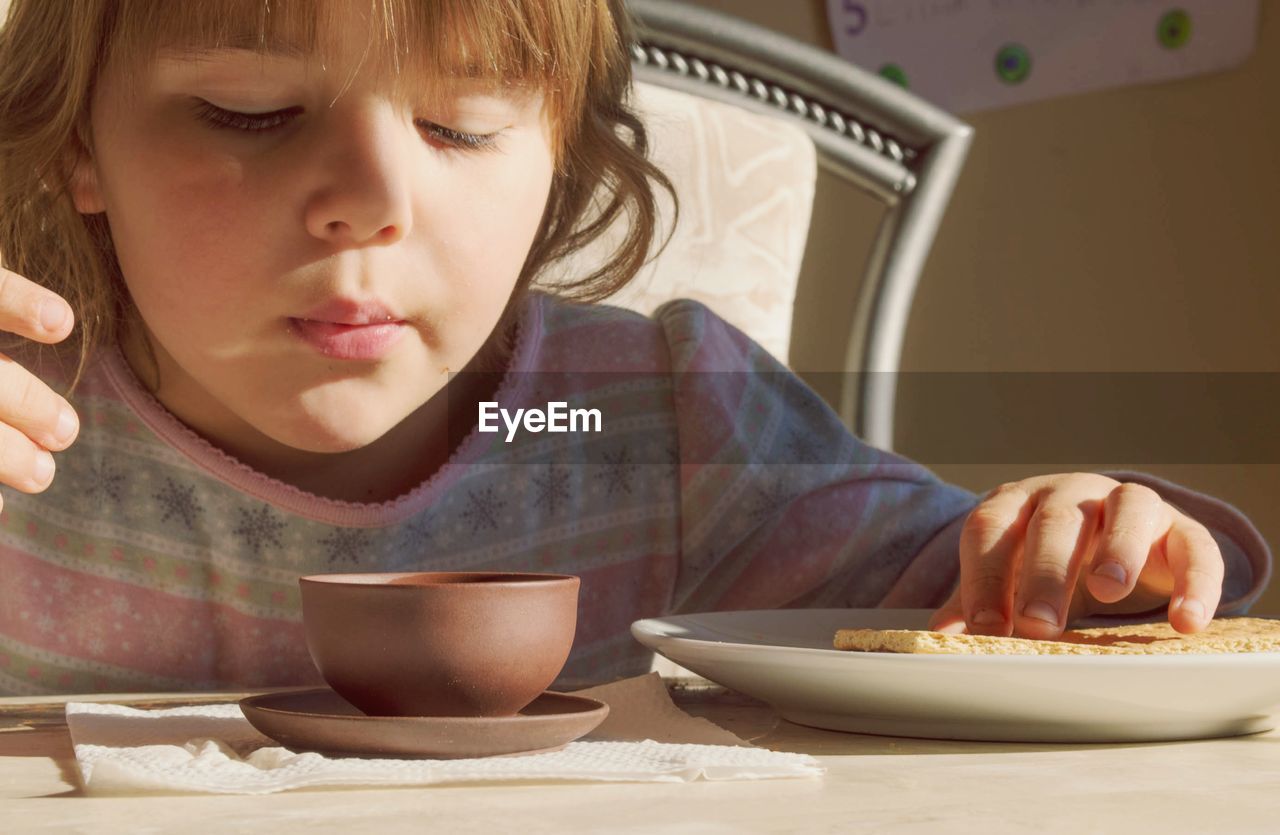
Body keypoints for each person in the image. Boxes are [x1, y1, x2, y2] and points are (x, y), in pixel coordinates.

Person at [0, 0, 1269, 696]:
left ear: (556, 157)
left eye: (461, 123)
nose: (368, 196)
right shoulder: (16, 430)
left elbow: (966, 591)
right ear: (78, 146)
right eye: (251, 112)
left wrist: (1091, 553)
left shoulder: (641, 420)